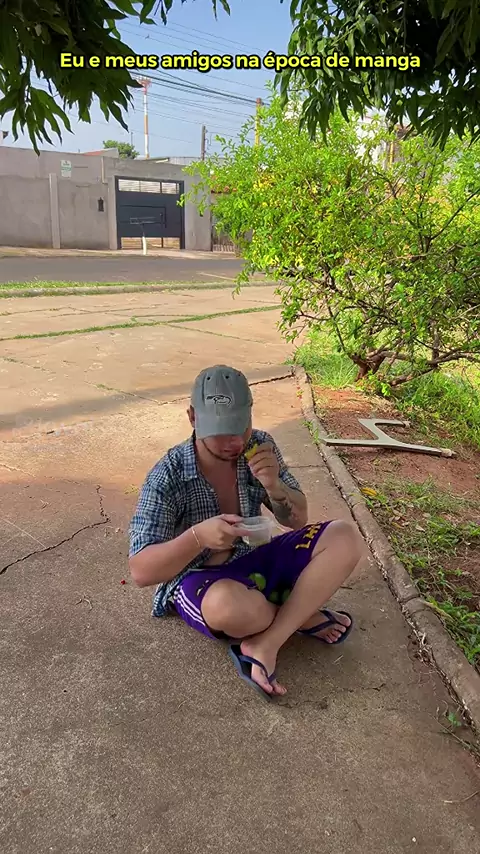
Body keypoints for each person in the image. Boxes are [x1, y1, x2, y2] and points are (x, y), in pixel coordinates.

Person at [129, 365, 362, 698]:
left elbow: (297, 520)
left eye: (241, 426)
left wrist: (276, 487)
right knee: (233, 610)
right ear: (193, 417)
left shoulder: (259, 445)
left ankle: (266, 643)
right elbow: (140, 571)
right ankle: (300, 614)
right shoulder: (168, 476)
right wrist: (197, 538)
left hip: (254, 557)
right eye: (222, 432)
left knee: (343, 537)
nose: (235, 442)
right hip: (200, 579)